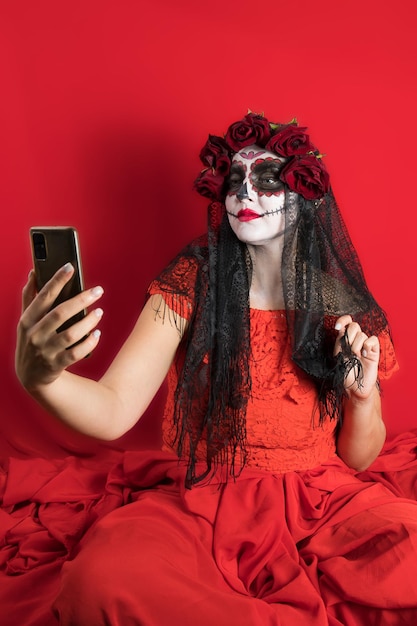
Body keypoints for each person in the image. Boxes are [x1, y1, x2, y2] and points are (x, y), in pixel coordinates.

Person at [13, 113, 417, 625]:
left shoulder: (340, 301)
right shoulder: (190, 283)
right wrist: (42, 378)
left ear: (304, 192)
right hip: (204, 500)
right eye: (234, 180)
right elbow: (114, 410)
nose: (245, 192)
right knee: (104, 582)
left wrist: (361, 398)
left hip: (320, 503)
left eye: (267, 178)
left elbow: (359, 459)